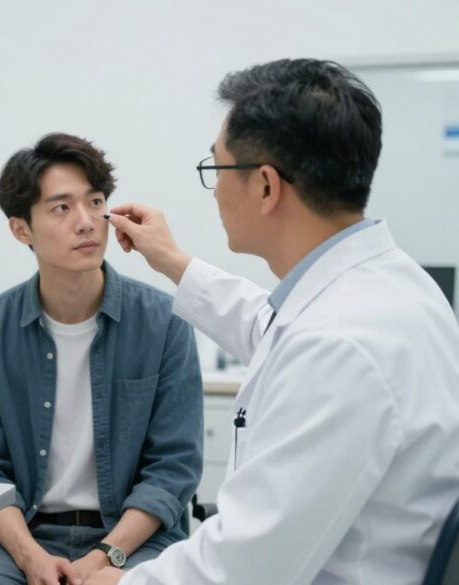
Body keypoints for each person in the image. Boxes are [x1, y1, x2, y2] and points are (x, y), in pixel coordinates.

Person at [86, 59, 459, 585]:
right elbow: (271, 328)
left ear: (265, 186)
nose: (213, 190)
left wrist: (121, 582)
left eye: (215, 169)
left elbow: (242, 569)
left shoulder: (337, 344)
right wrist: (172, 260)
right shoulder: (392, 287)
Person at [0, 132, 203, 585]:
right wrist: (30, 558)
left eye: (96, 201)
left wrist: (105, 557)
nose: (86, 222)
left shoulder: (164, 323)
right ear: (21, 228)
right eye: (62, 207)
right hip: (21, 536)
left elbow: (173, 468)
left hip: (133, 539)